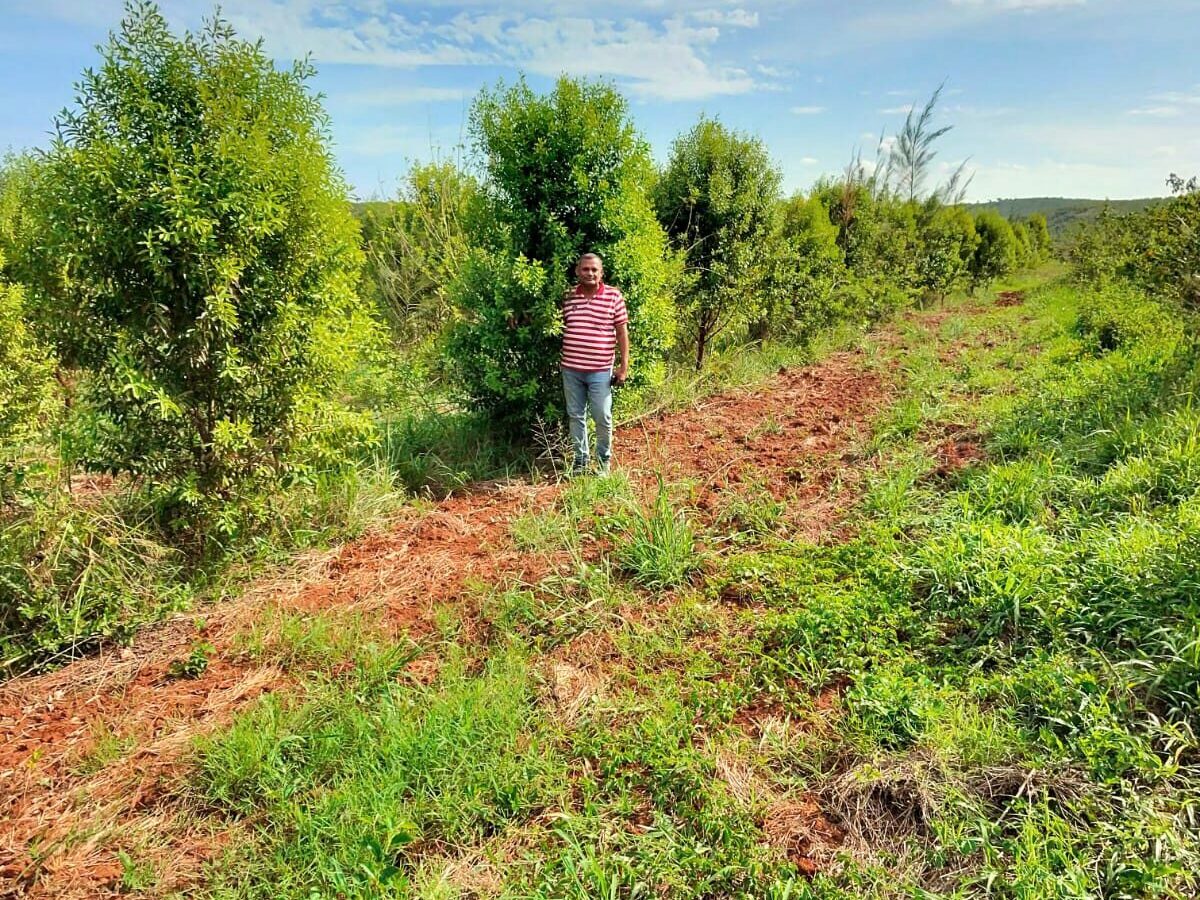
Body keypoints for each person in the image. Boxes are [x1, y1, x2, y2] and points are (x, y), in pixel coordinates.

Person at [560, 252, 629, 474]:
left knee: (602, 415)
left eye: (594, 270)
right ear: (577, 271)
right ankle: (580, 462)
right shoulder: (568, 296)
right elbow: (547, 320)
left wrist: (623, 366)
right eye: (585, 269)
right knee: (576, 415)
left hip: (600, 370)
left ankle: (603, 462)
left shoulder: (613, 296)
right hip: (571, 369)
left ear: (601, 273)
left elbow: (621, 332)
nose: (589, 273)